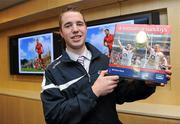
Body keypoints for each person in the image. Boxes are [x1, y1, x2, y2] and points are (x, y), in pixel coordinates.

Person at [40, 6, 172, 124]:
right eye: (68, 25)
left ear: (85, 28)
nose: (75, 29)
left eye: (79, 24)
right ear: (61, 33)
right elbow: (54, 117)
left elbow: (122, 93)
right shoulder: (52, 71)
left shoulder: (105, 60)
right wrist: (94, 91)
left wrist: (146, 84)